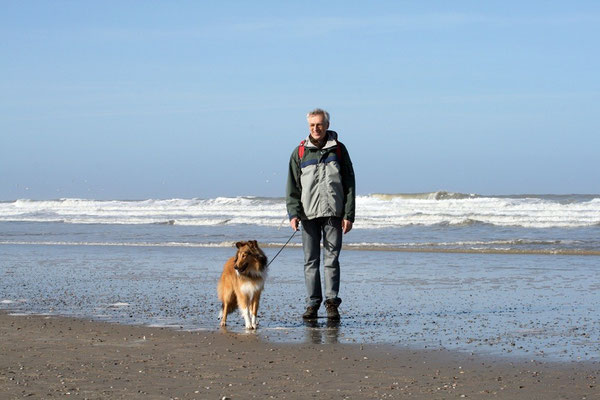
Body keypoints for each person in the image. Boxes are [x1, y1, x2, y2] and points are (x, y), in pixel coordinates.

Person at [286, 108, 356, 320]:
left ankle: (332, 303)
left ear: (327, 125)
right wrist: (293, 214)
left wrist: (348, 215)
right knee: (311, 261)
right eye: (312, 125)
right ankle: (312, 304)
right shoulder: (299, 152)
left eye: (319, 124)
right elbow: (292, 187)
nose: (315, 129)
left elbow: (350, 184)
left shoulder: (339, 150)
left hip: (334, 213)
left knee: (331, 260)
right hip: (308, 215)